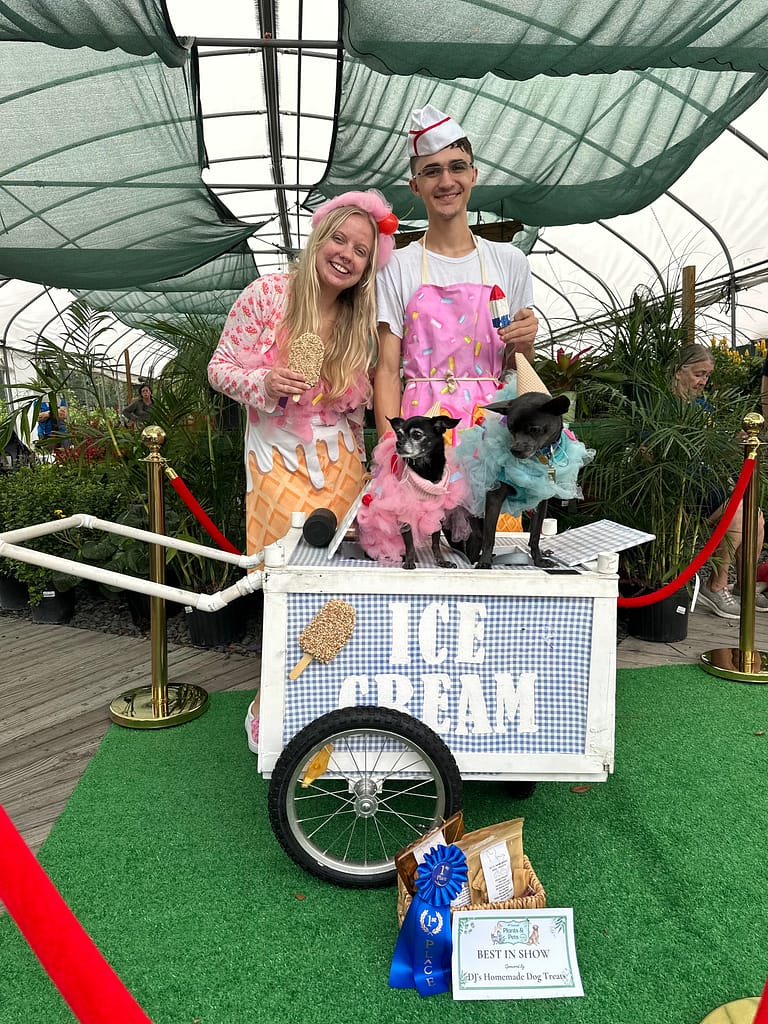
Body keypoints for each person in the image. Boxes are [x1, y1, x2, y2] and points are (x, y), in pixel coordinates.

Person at [208, 189, 397, 747]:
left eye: (361, 249)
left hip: (341, 463)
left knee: (341, 582)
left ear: (369, 265)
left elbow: (367, 400)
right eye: (338, 238)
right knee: (285, 579)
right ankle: (275, 698)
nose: (346, 253)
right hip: (274, 460)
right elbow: (220, 368)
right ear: (318, 238)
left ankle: (328, 698)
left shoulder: (359, 319)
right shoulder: (267, 294)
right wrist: (263, 382)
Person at [374, 103, 539, 443]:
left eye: (457, 167)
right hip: (421, 437)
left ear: (473, 175)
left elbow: (516, 366)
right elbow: (389, 372)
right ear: (415, 185)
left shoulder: (510, 261)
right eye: (431, 171)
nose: (446, 181)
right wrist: (391, 452)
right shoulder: (395, 266)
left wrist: (524, 343)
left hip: (491, 432)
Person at [673, 344, 766, 618]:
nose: (703, 382)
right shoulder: (663, 406)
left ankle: (743, 587)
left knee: (756, 517)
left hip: (707, 482)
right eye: (699, 374)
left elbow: (714, 448)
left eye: (707, 376)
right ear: (679, 372)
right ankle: (716, 585)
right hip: (679, 486)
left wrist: (735, 442)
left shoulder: (703, 406)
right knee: (738, 514)